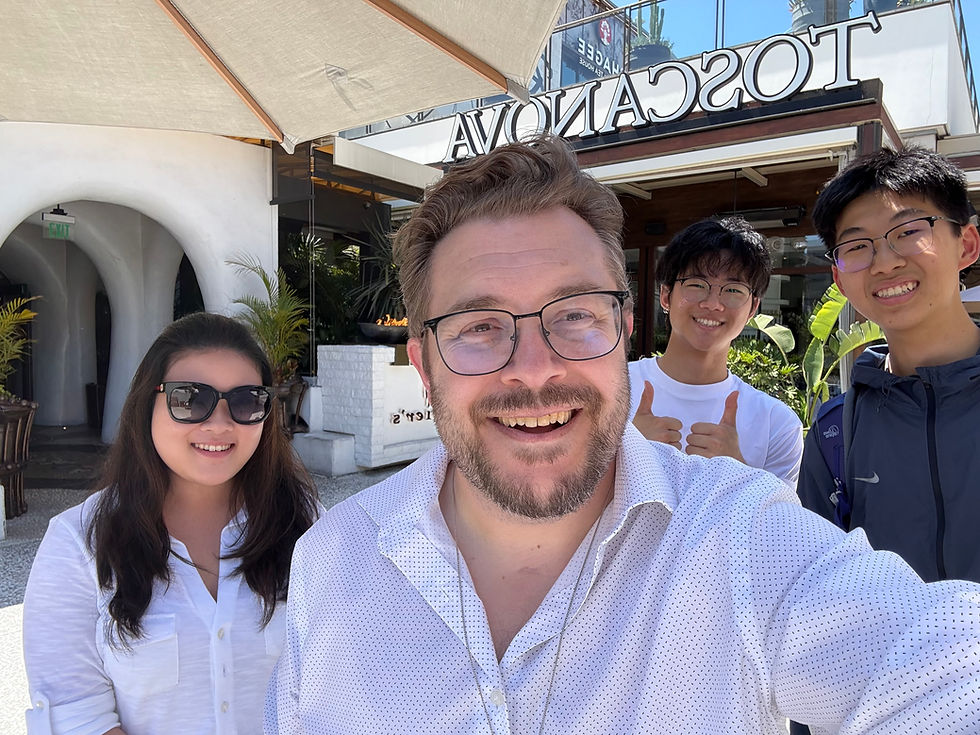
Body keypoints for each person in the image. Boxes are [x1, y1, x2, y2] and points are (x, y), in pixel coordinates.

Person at [265, 136, 980, 734]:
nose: (535, 369)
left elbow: (937, 666)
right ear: (424, 367)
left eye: (575, 314)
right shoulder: (333, 561)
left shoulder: (740, 536)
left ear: (623, 331)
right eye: (481, 327)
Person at [23, 312, 319, 735]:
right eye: (189, 399)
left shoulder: (304, 524)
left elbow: (341, 684)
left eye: (246, 400)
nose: (219, 424)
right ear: (149, 403)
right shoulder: (78, 543)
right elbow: (75, 716)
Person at [797, 147, 980, 582]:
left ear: (967, 245)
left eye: (908, 230)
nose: (886, 262)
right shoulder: (835, 433)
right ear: (840, 278)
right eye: (858, 246)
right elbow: (819, 584)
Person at [629, 217, 803, 487]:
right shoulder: (611, 390)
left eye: (733, 290)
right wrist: (626, 452)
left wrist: (739, 471)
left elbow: (779, 524)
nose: (713, 304)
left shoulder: (777, 424)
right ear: (665, 295)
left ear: (752, 308)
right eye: (697, 284)